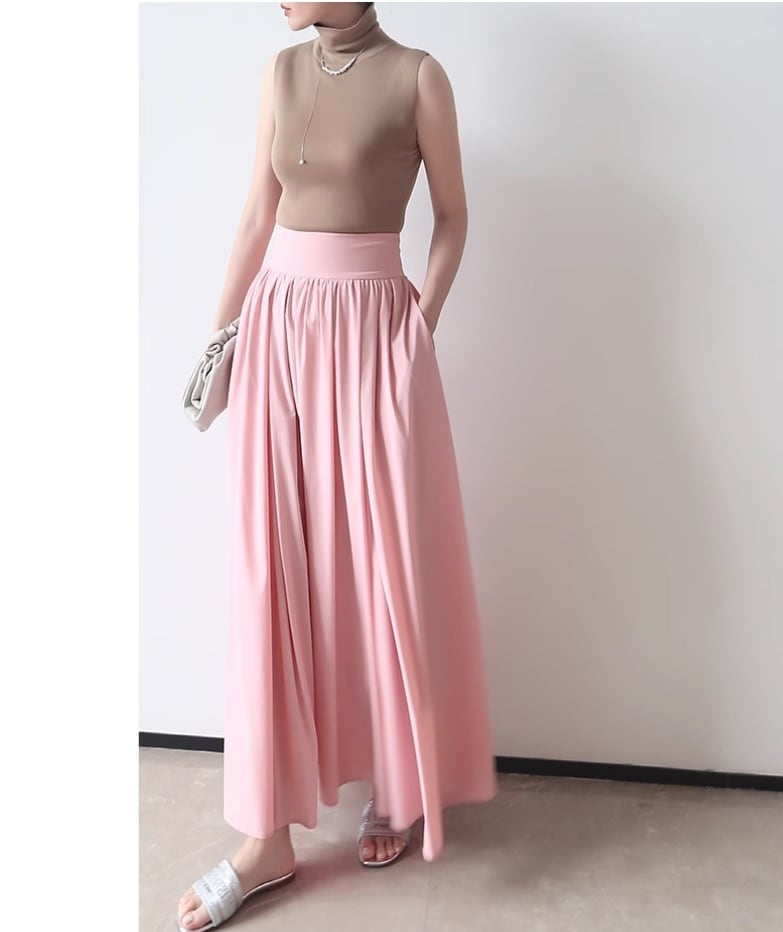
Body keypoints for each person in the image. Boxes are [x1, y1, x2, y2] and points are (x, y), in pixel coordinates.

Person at [175, 3, 497, 929]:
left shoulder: (419, 76)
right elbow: (257, 215)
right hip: (278, 325)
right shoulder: (280, 73)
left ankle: (396, 779)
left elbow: (453, 217)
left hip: (372, 337)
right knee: (273, 568)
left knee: (378, 563)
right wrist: (217, 344)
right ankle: (266, 835)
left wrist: (416, 333)